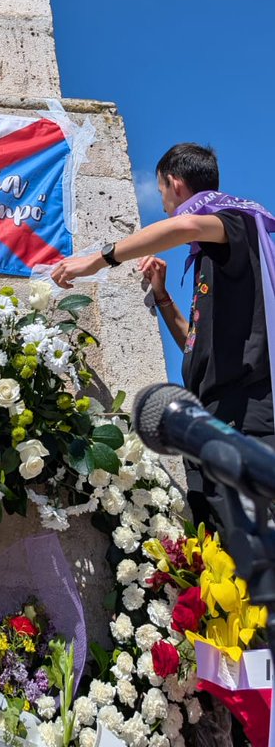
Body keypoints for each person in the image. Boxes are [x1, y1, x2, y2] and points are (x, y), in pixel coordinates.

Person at [51, 142, 274, 531]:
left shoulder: (237, 221)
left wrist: (96, 259)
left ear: (175, 184)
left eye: (162, 195)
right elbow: (194, 344)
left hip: (247, 412)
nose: (165, 205)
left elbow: (183, 225)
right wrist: (163, 295)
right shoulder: (215, 257)